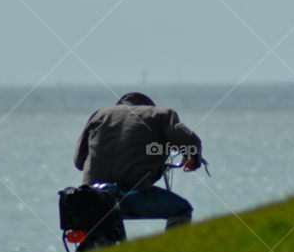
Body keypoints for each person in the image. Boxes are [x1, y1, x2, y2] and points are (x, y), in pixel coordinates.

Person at [74, 92, 203, 234]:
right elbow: (191, 142)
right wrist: (193, 157)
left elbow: (79, 162)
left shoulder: (99, 114)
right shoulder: (161, 115)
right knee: (182, 209)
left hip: (92, 196)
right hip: (132, 193)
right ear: (148, 106)